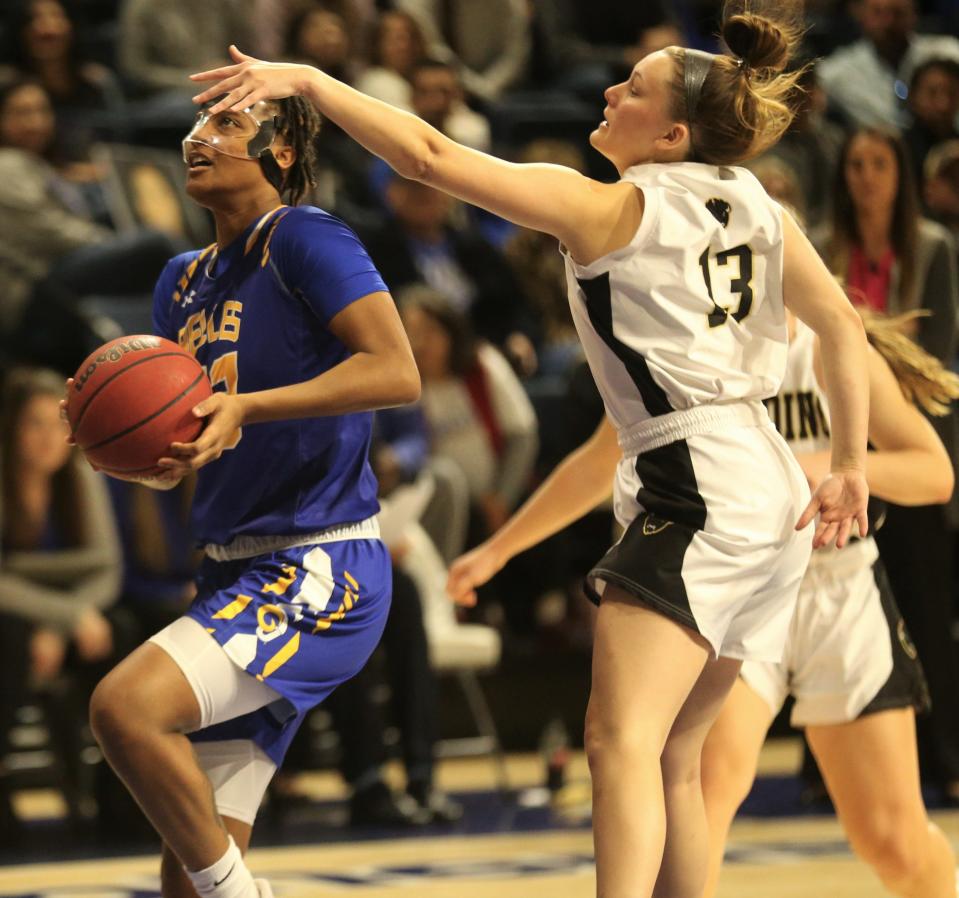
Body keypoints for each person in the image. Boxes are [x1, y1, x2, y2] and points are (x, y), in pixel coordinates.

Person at [187, 1, 871, 892]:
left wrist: (312, 81)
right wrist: (848, 461)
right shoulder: (754, 203)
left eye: (633, 87)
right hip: (764, 478)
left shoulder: (607, 206)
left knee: (617, 742)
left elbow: (429, 159)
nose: (610, 89)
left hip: (696, 481)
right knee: (676, 758)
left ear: (669, 133)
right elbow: (841, 326)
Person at [82, 86, 420, 898]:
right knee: (185, 881)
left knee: (123, 710)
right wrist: (151, 454)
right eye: (197, 123)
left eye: (228, 123)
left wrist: (250, 407)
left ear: (283, 153)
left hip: (317, 567)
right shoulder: (180, 280)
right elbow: (203, 423)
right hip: (231, 569)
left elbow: (395, 371)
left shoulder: (300, 237)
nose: (198, 137)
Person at [700, 306, 959, 898]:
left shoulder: (825, 349)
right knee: (704, 789)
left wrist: (828, 464)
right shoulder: (695, 352)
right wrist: (500, 551)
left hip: (837, 588)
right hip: (741, 592)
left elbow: (934, 472)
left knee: (891, 841)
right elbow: (605, 452)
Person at [826, 124, 959, 796]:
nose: (866, 176)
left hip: (904, 441)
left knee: (926, 611)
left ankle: (948, 756)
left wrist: (864, 348)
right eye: (855, 163)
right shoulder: (824, 246)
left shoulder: (932, 246)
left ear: (899, 175)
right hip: (830, 443)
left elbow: (932, 350)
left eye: (878, 163)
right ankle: (827, 770)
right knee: (846, 606)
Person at [0, 367, 122, 838]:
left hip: (65, 621)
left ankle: (115, 789)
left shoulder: (81, 477)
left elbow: (107, 567)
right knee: (9, 641)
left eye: (59, 424)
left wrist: (61, 623)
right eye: (35, 424)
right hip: (18, 622)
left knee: (124, 633)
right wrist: (64, 615)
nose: (49, 437)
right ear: (12, 429)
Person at [816, 0, 959, 129]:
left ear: (914, 14)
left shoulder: (948, 52)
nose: (888, 22)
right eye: (878, 13)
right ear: (861, 15)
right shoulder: (839, 72)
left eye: (897, 13)